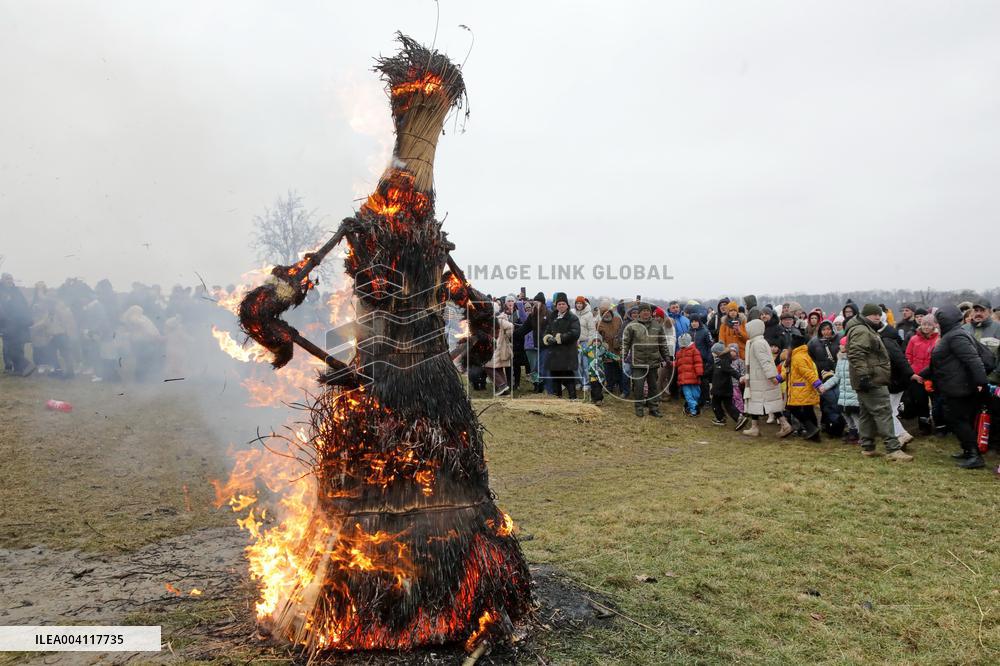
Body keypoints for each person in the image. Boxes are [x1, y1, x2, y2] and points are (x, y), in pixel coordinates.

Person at [919, 304, 990, 469]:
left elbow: (973, 360)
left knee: (958, 420)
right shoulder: (953, 334)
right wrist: (921, 374)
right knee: (957, 419)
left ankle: (974, 455)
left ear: (945, 320)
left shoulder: (956, 336)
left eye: (938, 320)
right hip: (954, 385)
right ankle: (968, 450)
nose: (936, 323)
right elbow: (941, 361)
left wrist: (982, 383)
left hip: (960, 387)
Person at [844, 304, 913, 461]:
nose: (877, 317)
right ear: (866, 315)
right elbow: (856, 353)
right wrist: (864, 376)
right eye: (874, 314)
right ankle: (893, 450)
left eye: (879, 314)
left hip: (868, 377)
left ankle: (868, 447)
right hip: (872, 378)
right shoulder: (862, 330)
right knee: (884, 412)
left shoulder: (863, 328)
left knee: (867, 414)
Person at [740, 318, 792, 437]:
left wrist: (772, 376)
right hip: (758, 378)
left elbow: (765, 362)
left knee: (762, 402)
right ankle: (756, 427)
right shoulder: (757, 342)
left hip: (761, 379)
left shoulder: (757, 344)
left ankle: (783, 425)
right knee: (759, 402)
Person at [621, 302, 668, 417]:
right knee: (639, 386)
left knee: (653, 387)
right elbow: (625, 342)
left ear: (650, 312)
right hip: (638, 362)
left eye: (647, 311)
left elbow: (663, 342)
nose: (646, 312)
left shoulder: (657, 325)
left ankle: (653, 408)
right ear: (639, 313)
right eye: (643, 311)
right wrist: (623, 356)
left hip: (653, 361)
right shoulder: (632, 325)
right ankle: (639, 408)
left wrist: (666, 357)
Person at [904, 313, 939, 434]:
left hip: (932, 376)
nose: (926, 327)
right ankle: (924, 426)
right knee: (920, 402)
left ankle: (940, 425)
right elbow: (908, 356)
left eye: (929, 324)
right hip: (916, 376)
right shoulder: (914, 339)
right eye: (924, 324)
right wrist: (912, 372)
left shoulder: (938, 339)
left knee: (936, 402)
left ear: (934, 325)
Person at [542, 292, 580, 399]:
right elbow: (546, 330)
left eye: (563, 304)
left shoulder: (572, 318)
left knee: (568, 377)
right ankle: (557, 398)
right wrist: (548, 338)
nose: (561, 306)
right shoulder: (553, 317)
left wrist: (560, 338)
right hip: (554, 353)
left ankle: (573, 398)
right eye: (559, 304)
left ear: (567, 305)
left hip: (567, 352)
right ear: (556, 305)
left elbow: (575, 333)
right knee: (555, 377)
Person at [821, 337, 860, 442]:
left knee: (854, 414)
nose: (840, 346)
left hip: (853, 392)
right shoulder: (840, 360)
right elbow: (837, 377)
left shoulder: (855, 360)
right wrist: (824, 386)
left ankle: (861, 434)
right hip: (843, 392)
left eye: (842, 344)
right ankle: (852, 431)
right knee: (845, 413)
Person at [808, 321, 843, 436]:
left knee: (837, 398)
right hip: (821, 374)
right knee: (824, 399)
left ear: (832, 329)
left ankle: (838, 423)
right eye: (823, 330)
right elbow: (810, 358)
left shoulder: (839, 339)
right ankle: (825, 422)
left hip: (837, 373)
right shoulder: (814, 342)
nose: (826, 332)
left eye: (828, 329)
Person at [785, 336, 822, 441]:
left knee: (793, 408)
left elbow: (807, 372)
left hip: (801, 388)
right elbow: (788, 371)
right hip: (804, 388)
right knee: (808, 410)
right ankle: (815, 434)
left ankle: (812, 429)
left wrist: (817, 383)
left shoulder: (798, 357)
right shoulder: (801, 355)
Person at [516, 293, 548, 393]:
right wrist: (513, 335)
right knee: (533, 367)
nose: (536, 304)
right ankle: (537, 385)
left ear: (543, 303)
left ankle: (543, 384)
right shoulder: (532, 316)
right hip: (533, 346)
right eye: (535, 302)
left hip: (545, 346)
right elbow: (524, 328)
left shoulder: (549, 315)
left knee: (541, 366)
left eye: (538, 302)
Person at [709, 342, 745, 427]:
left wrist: (739, 377)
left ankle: (722, 418)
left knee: (716, 404)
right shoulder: (718, 362)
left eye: (714, 352)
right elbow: (710, 371)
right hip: (722, 388)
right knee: (728, 405)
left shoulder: (723, 362)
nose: (712, 354)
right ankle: (736, 417)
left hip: (722, 389)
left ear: (718, 353)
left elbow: (731, 371)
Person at [581, 335, 619, 406]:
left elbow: (608, 354)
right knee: (594, 385)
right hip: (592, 372)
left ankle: (597, 399)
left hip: (600, 372)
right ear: (592, 342)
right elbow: (582, 351)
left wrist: (615, 357)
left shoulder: (602, 349)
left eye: (598, 341)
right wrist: (577, 348)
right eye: (594, 340)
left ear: (601, 342)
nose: (596, 342)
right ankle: (597, 399)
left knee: (599, 385)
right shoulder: (589, 349)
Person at [484, 306, 514, 396]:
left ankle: (502, 385)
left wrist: (506, 336)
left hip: (497, 348)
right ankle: (505, 389)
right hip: (492, 347)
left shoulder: (499, 320)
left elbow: (510, 326)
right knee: (498, 368)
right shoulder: (491, 320)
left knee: (488, 366)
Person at [596, 299, 623, 394]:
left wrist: (620, 342)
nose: (606, 314)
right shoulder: (599, 324)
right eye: (604, 313)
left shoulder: (618, 320)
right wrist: (601, 345)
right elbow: (598, 336)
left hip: (617, 349)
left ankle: (621, 387)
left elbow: (622, 332)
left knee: (618, 369)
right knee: (608, 370)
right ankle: (609, 387)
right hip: (607, 350)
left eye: (607, 312)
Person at [674, 333, 703, 416]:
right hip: (684, 378)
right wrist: (669, 364)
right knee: (688, 395)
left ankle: (690, 407)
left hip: (694, 377)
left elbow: (698, 363)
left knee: (696, 394)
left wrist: (699, 373)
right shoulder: (679, 353)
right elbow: (677, 363)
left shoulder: (694, 351)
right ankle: (694, 410)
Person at [689, 315, 714, 408]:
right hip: (692, 360)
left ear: (699, 322)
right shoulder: (688, 332)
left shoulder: (705, 332)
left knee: (704, 380)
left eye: (696, 321)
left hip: (703, 360)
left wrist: (708, 359)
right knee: (694, 380)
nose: (694, 323)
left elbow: (710, 346)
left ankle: (707, 399)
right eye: (692, 321)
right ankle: (697, 398)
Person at [574, 296, 598, 391]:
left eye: (580, 303)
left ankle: (586, 383)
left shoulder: (589, 314)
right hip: (575, 342)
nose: (579, 305)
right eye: (577, 303)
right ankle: (579, 382)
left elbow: (592, 330)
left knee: (585, 364)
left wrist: (589, 343)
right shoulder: (573, 313)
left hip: (585, 342)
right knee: (577, 364)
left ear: (583, 304)